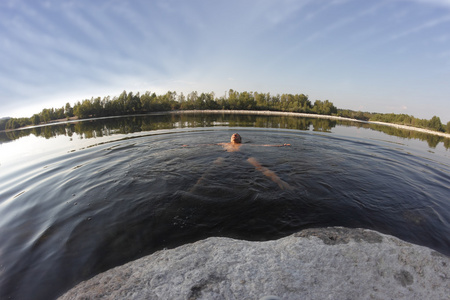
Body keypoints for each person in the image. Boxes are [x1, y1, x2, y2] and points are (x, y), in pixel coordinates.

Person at [187, 133, 292, 190]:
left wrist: (281, 145)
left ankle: (281, 182)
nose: (234, 135)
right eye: (233, 135)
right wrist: (190, 145)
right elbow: (207, 145)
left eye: (237, 135)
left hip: (243, 155)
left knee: (259, 166)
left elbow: (263, 145)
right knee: (212, 167)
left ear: (240, 139)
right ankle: (197, 185)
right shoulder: (224, 143)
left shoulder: (243, 145)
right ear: (230, 138)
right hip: (226, 155)